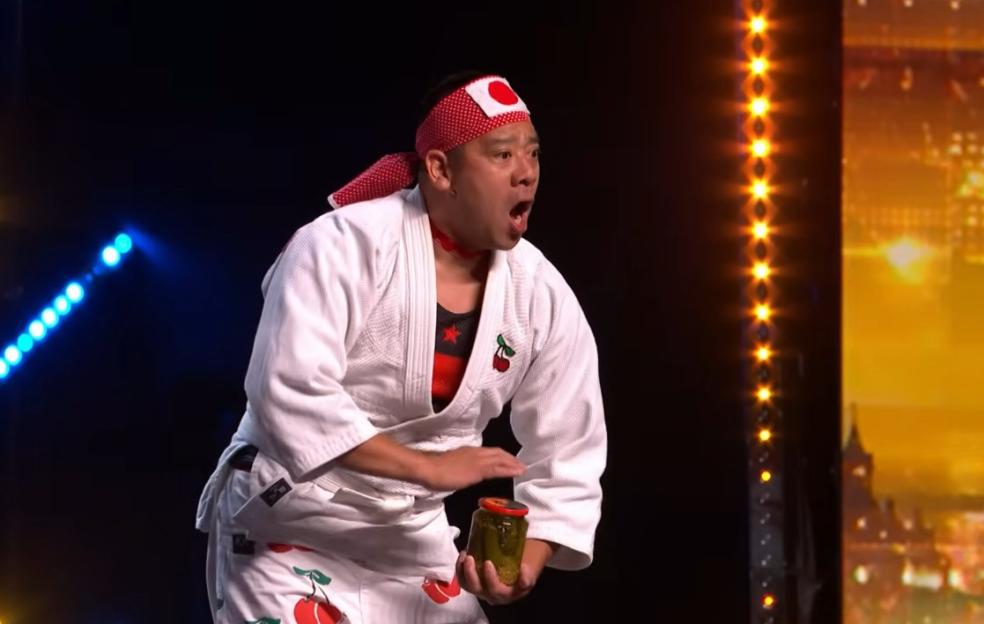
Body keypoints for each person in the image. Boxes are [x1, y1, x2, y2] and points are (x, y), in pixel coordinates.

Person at [195, 70, 607, 624]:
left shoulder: (541, 294)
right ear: (440, 169)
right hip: (291, 517)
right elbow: (288, 394)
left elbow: (569, 449)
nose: (526, 173)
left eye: (532, 154)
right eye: (502, 155)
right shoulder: (341, 245)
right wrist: (426, 468)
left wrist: (524, 565)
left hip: (412, 534)